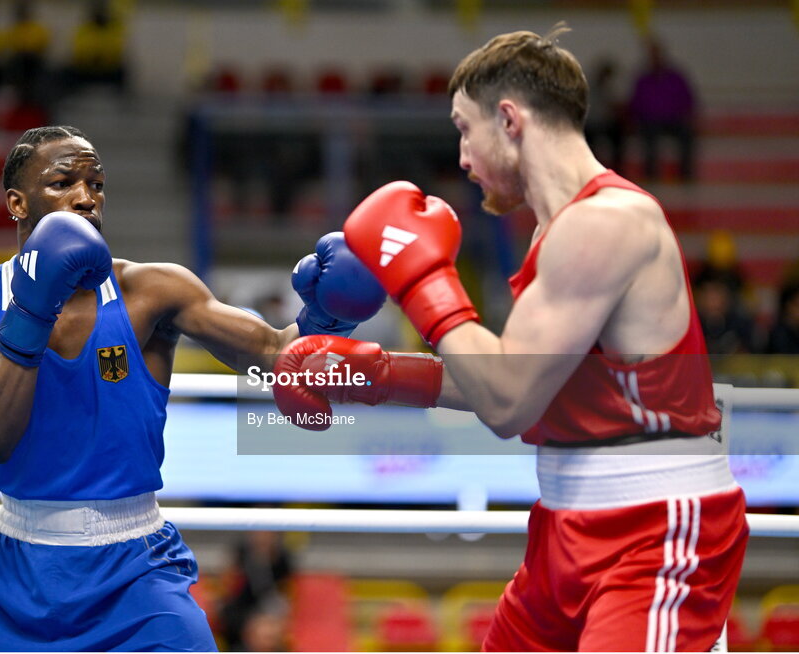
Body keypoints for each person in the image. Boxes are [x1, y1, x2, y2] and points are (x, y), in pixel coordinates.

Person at [274, 27, 748, 652]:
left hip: (654, 530)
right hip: (565, 526)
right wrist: (375, 374)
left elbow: (508, 405)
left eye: (465, 130)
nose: (462, 157)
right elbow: (518, 382)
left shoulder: (606, 224)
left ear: (509, 119)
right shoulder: (555, 235)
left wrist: (422, 280)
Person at [0, 125, 385, 651]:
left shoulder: (151, 290)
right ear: (16, 202)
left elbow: (276, 353)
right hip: (14, 573)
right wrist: (31, 312)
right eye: (63, 182)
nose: (85, 196)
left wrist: (329, 314)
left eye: (96, 183)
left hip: (134, 570)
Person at [628, 37, 697, 182]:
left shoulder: (676, 77)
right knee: (649, 135)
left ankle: (686, 175)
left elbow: (688, 100)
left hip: (674, 121)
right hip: (650, 122)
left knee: (687, 134)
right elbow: (635, 103)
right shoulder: (642, 79)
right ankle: (651, 175)